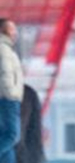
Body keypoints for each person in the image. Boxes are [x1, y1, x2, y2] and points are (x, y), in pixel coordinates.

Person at [0, 19, 23, 163]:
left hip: (7, 97)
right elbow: (5, 73)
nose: (15, 32)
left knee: (5, 138)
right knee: (12, 135)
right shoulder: (3, 49)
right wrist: (11, 94)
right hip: (8, 99)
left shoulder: (6, 49)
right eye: (12, 29)